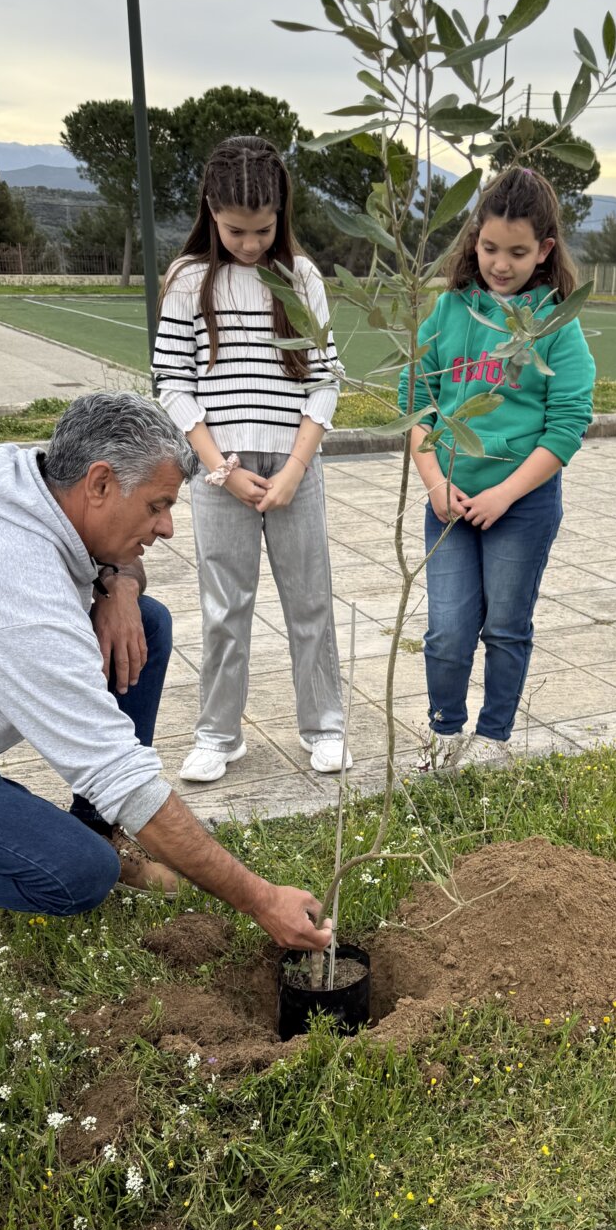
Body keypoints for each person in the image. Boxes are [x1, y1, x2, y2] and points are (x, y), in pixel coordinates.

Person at [0, 392, 331, 969]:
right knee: (79, 875)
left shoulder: (30, 483)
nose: (166, 528)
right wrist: (261, 899)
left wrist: (119, 586)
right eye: (158, 506)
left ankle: (98, 828)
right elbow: (118, 774)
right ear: (100, 483)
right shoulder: (17, 594)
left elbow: (117, 563)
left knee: (146, 623)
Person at [152, 135, 351, 785]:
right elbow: (172, 381)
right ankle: (218, 735)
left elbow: (326, 378)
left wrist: (294, 469)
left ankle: (325, 726)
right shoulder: (187, 280)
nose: (249, 243)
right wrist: (222, 469)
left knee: (309, 602)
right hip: (219, 473)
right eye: (236, 230)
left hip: (296, 465)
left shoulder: (301, 276)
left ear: (281, 213)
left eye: (263, 230)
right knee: (224, 609)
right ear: (210, 210)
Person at [400, 166, 596, 769]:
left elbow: (567, 426)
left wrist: (505, 494)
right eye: (489, 248)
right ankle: (444, 733)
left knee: (506, 626)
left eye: (517, 252)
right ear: (474, 241)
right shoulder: (448, 311)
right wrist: (436, 483)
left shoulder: (556, 326)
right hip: (449, 503)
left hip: (521, 507)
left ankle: (493, 740)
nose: (500, 264)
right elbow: (416, 402)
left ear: (545, 250)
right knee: (447, 628)